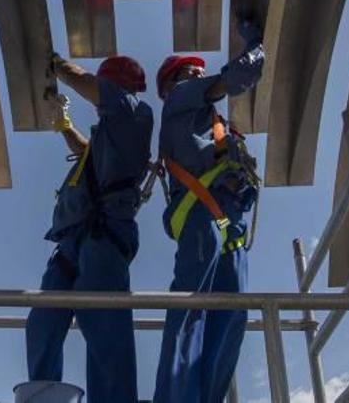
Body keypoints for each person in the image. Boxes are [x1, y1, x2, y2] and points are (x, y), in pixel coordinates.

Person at [25, 54, 153, 403]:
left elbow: (92, 86)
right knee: (43, 323)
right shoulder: (110, 136)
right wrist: (63, 124)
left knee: (103, 327)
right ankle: (43, 396)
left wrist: (57, 65)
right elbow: (87, 152)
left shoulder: (134, 113)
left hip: (103, 234)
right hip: (73, 239)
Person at [153, 20, 264, 403]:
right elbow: (239, 76)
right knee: (191, 307)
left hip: (229, 218)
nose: (198, 73)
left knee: (232, 315)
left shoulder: (211, 121)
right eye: (188, 71)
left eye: (198, 70)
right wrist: (257, 46)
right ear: (171, 86)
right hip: (202, 211)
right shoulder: (182, 98)